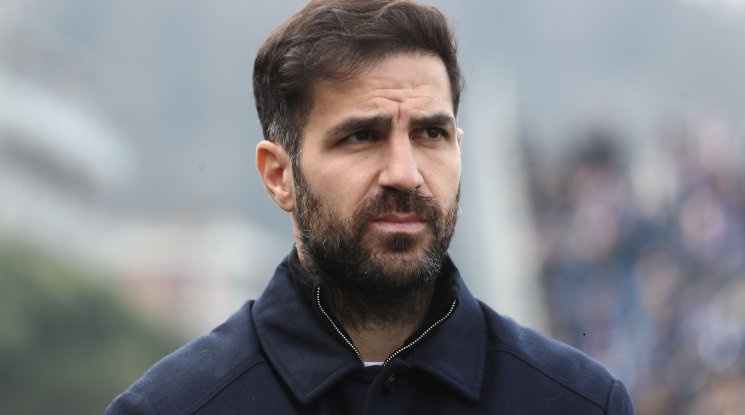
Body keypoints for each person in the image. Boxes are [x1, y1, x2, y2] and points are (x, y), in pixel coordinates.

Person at [107, 0, 635, 413]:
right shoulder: (173, 407)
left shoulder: (580, 403)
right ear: (279, 175)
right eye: (362, 136)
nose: (404, 172)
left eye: (430, 133)